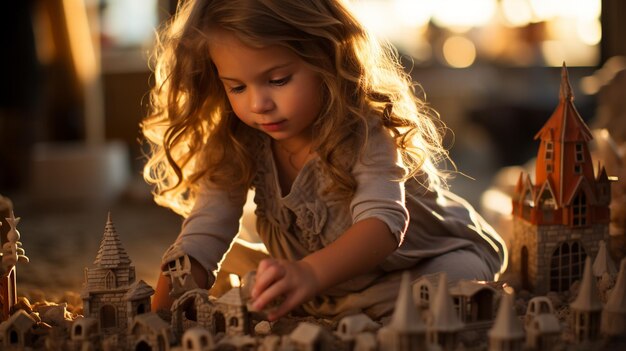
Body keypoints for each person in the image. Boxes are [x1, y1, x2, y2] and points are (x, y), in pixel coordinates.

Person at [143, 0, 507, 321]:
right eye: (237, 87)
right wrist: (160, 312)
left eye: (278, 79)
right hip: (317, 276)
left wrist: (311, 275)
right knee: (233, 262)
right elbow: (208, 226)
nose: (258, 104)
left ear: (327, 58)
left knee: (450, 287)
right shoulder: (238, 139)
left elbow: (383, 224)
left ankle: (329, 296)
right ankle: (327, 296)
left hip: (418, 262)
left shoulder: (366, 129)